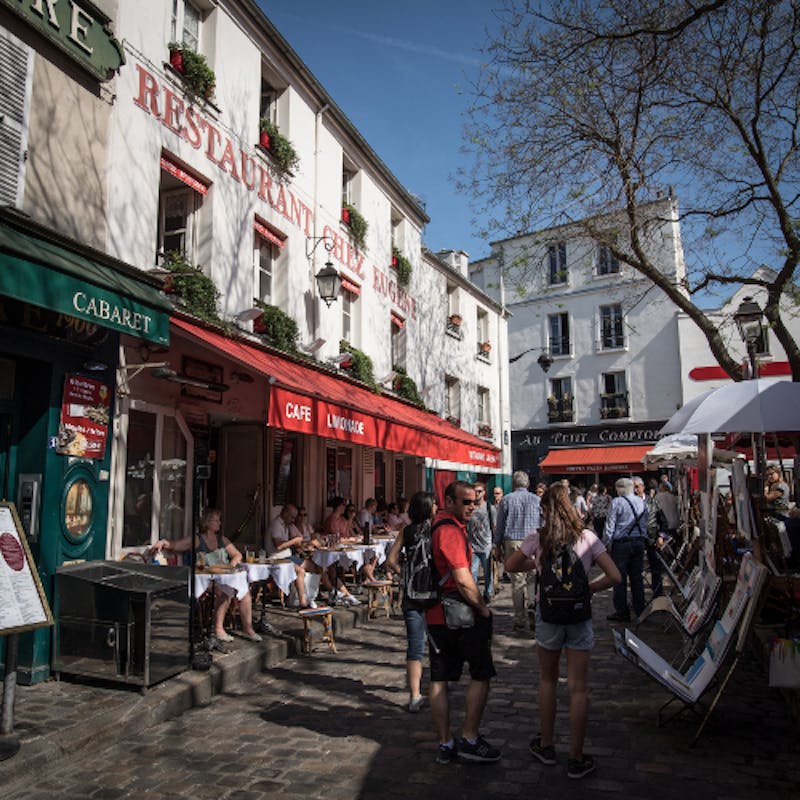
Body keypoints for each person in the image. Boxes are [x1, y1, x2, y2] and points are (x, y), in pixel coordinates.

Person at [505, 484, 620, 780]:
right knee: (579, 688)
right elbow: (615, 576)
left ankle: (546, 744)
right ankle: (577, 757)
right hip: (579, 615)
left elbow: (510, 565)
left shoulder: (539, 538)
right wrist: (588, 589)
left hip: (549, 614)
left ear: (546, 510)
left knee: (547, 680)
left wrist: (539, 563)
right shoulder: (588, 538)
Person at [427, 480, 500, 765]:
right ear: (449, 501)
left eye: (475, 501)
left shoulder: (433, 525)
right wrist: (482, 608)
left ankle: (445, 742)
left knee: (439, 679)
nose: (473, 506)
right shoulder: (449, 531)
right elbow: (462, 577)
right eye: (466, 502)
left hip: (434, 613)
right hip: (457, 615)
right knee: (481, 673)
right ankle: (468, 738)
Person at [153, 508, 262, 642]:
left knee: (244, 593)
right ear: (207, 522)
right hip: (206, 579)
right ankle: (218, 629)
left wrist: (232, 563)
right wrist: (164, 542)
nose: (219, 523)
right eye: (216, 520)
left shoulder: (222, 539)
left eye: (219, 520)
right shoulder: (197, 539)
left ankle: (248, 628)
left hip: (224, 576)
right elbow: (177, 545)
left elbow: (237, 554)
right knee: (224, 592)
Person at [385, 490, 436, 713]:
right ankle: (438, 689)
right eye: (434, 504)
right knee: (437, 646)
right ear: (427, 508)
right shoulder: (436, 530)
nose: (437, 507)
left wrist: (404, 573)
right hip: (434, 596)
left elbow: (390, 560)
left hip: (412, 595)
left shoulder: (406, 531)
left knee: (415, 647)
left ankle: (415, 695)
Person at [495, 470, 541, 634]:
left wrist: (497, 545)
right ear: (528, 484)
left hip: (513, 540)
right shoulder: (537, 500)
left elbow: (500, 525)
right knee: (532, 577)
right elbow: (543, 522)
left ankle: (519, 619)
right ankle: (532, 607)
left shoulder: (506, 500)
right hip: (533, 539)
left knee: (517, 581)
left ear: (514, 484)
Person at [604, 477, 648, 622]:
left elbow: (610, 526)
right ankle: (640, 609)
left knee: (619, 579)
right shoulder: (641, 502)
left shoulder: (617, 502)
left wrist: (607, 544)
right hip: (639, 542)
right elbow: (645, 521)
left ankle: (622, 611)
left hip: (622, 544)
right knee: (637, 578)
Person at [267, 504, 311, 608]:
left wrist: (299, 544)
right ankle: (302, 602)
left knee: (314, 566)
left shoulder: (286, 525)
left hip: (288, 557)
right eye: (292, 517)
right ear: (285, 513)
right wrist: (294, 541)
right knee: (300, 570)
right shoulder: (276, 524)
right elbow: (278, 546)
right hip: (277, 558)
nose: (293, 520)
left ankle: (311, 596)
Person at [634, 476, 664, 598]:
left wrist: (661, 536)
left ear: (643, 487)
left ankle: (658, 593)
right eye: (633, 487)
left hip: (652, 538)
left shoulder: (652, 502)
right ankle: (638, 598)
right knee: (636, 570)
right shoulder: (629, 503)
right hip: (636, 539)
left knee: (656, 567)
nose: (635, 490)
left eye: (637, 487)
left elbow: (663, 521)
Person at [467, 483, 494, 602]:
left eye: (479, 491)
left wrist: (495, 544)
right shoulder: (470, 507)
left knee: (488, 571)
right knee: (472, 571)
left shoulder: (489, 507)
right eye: (475, 491)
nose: (477, 494)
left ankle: (488, 593)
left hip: (486, 545)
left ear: (484, 493)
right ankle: (474, 594)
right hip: (473, 545)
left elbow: (494, 526)